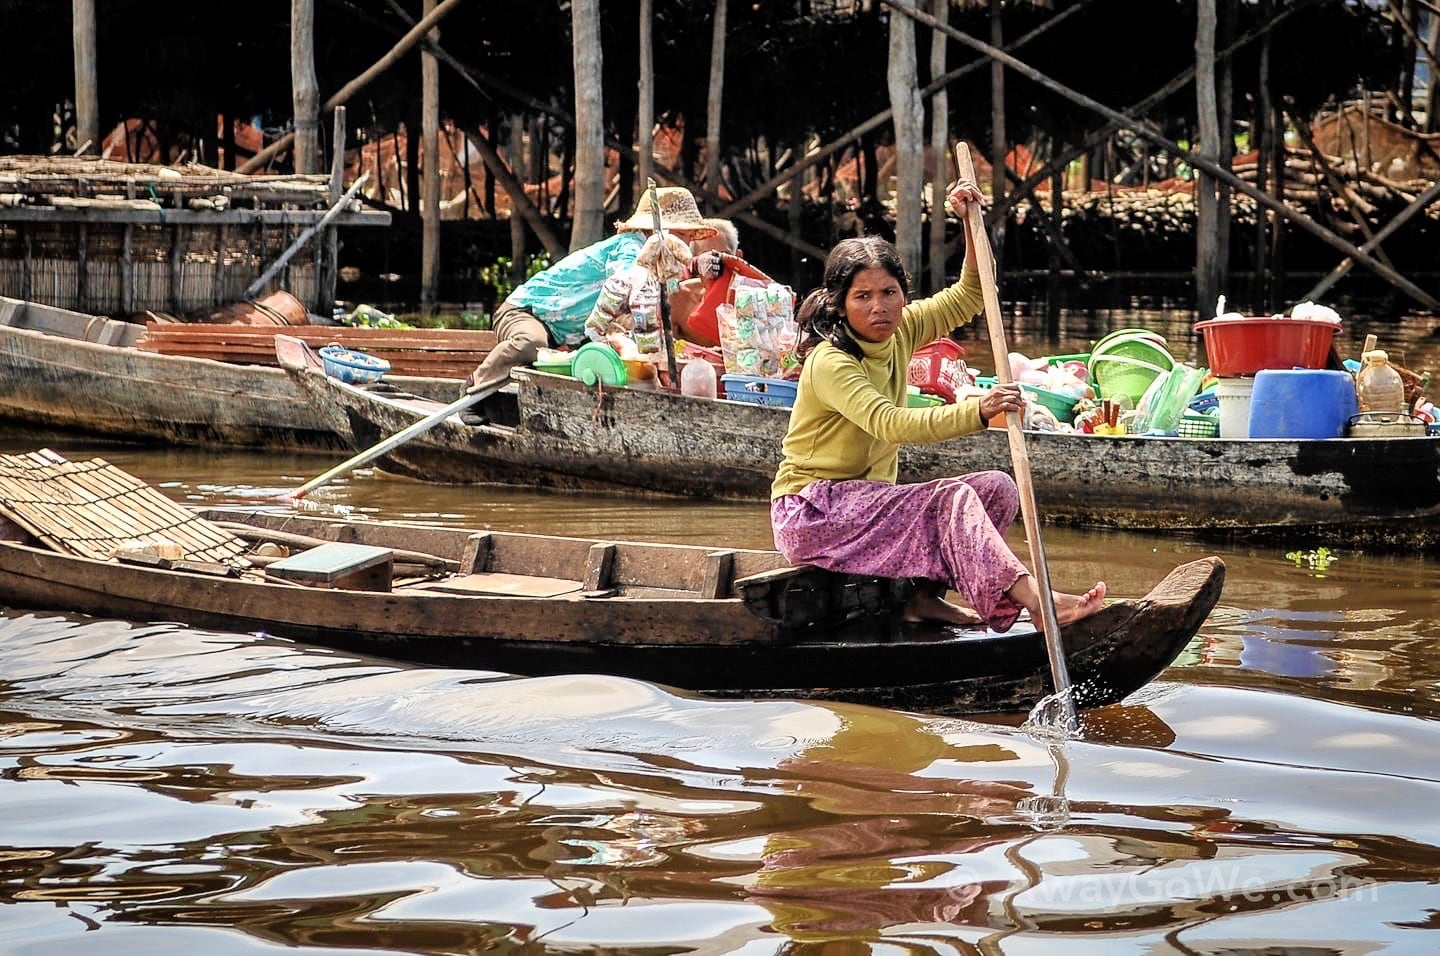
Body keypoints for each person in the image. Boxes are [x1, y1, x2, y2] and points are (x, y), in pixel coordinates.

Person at [769, 177, 1106, 632]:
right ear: (841, 304)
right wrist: (979, 410)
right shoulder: (832, 361)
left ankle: (920, 599)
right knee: (951, 498)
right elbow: (890, 424)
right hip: (813, 510)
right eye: (862, 297)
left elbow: (971, 292)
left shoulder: (901, 329)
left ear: (902, 294)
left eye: (889, 293)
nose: (879, 308)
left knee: (996, 489)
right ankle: (1037, 600)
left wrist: (968, 223)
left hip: (867, 502)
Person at [463, 187, 717, 395]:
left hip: (569, 336)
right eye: (684, 235)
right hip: (527, 313)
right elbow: (629, 283)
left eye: (691, 238)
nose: (688, 244)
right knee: (531, 343)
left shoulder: (661, 266)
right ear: (662, 232)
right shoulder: (630, 246)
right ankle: (474, 387)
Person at [670, 216, 775, 349]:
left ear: (738, 257)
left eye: (723, 256)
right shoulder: (679, 297)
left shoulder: (757, 299)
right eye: (707, 258)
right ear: (695, 263)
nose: (715, 263)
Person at [582, 231, 693, 358]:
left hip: (641, 337)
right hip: (619, 339)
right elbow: (645, 328)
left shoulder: (662, 282)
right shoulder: (638, 280)